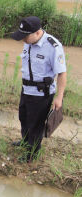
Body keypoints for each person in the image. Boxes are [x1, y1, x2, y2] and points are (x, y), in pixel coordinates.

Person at [11, 16, 67, 162]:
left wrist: (59, 97)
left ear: (37, 32)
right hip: (26, 90)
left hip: (42, 94)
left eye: (25, 36)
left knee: (35, 124)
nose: (23, 40)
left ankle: (32, 155)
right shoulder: (28, 42)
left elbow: (61, 73)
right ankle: (25, 141)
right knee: (23, 117)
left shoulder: (53, 46)